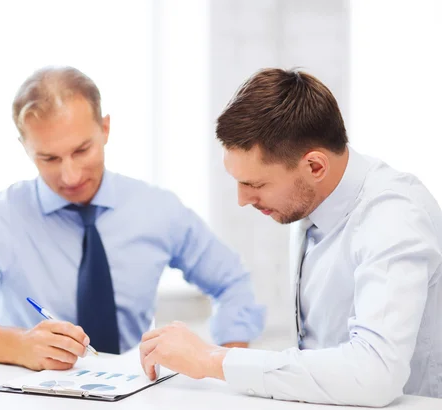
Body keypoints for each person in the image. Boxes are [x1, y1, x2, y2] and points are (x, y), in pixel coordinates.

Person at [0, 66, 265, 371]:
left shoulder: (157, 209)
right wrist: (21, 346)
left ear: (106, 129)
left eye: (82, 150)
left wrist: (223, 364)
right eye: (48, 159)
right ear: (24, 148)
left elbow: (232, 281)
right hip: (32, 394)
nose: (70, 175)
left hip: (136, 392)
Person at [139, 68, 442, 407]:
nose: (242, 199)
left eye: (255, 185)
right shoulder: (311, 200)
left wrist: (213, 360)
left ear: (315, 166)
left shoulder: (393, 217)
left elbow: (374, 373)